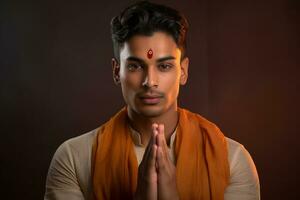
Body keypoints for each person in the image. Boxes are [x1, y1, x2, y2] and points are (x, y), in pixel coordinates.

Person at [44, 1, 260, 200]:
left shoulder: (231, 160)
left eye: (164, 66)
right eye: (135, 66)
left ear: (183, 71)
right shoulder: (74, 158)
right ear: (116, 71)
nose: (150, 82)